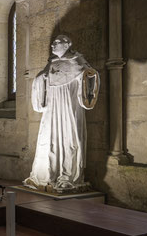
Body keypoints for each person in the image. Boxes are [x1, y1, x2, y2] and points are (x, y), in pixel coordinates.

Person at [23, 35, 100, 192]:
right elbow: (41, 79)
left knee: (68, 138)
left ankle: (66, 176)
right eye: (53, 43)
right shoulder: (51, 62)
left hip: (68, 107)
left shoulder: (78, 61)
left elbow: (89, 76)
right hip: (52, 108)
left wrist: (89, 77)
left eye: (57, 43)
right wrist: (41, 78)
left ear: (68, 44)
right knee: (48, 136)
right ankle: (46, 174)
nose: (53, 45)